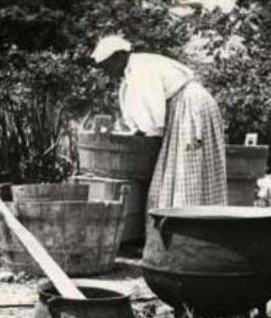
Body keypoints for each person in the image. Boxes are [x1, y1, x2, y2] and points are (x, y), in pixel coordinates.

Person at [91, 35, 228, 213]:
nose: (107, 72)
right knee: (183, 163)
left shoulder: (142, 68)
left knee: (189, 163)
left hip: (191, 106)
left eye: (107, 65)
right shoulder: (134, 70)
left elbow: (152, 111)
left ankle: (189, 215)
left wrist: (148, 136)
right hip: (186, 105)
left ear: (118, 56)